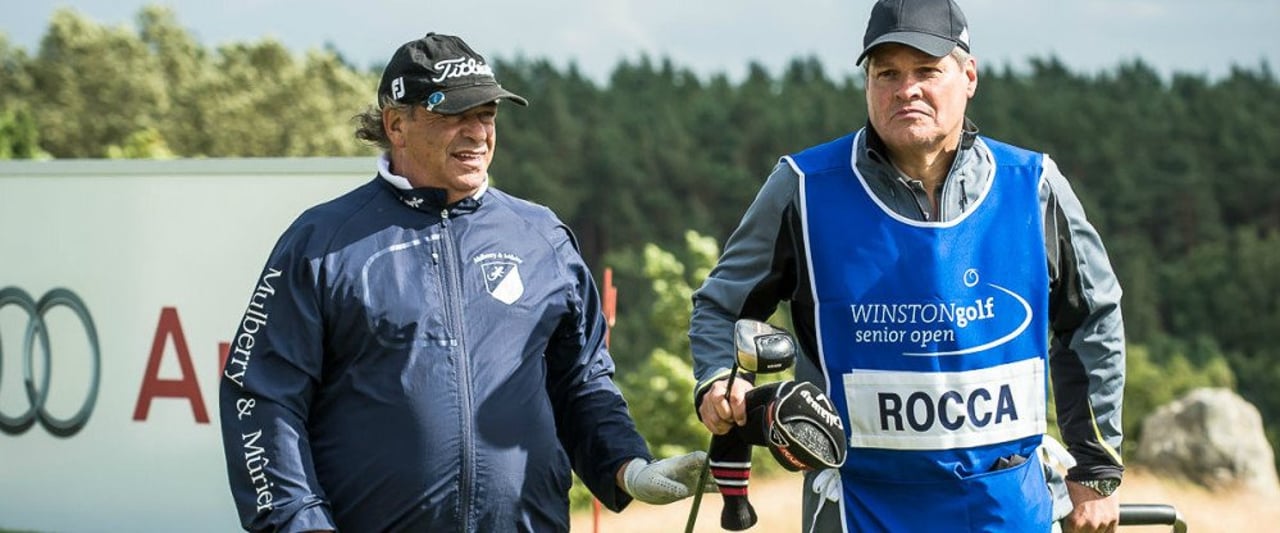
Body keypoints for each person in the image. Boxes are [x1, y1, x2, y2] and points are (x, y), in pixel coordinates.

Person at [218, 32, 707, 532]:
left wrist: (628, 466)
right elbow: (261, 398)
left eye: (487, 114)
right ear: (396, 124)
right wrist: (298, 522)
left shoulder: (543, 236)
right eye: (453, 115)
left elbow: (580, 382)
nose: (477, 133)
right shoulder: (321, 241)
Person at [689, 0, 1125, 531]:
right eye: (887, 73)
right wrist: (716, 381)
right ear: (868, 83)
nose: (906, 89)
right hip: (859, 505)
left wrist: (1095, 471)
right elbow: (721, 307)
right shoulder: (803, 187)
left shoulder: (1032, 186)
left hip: (1010, 504)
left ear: (969, 76)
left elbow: (1092, 321)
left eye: (926, 70)